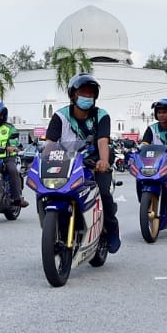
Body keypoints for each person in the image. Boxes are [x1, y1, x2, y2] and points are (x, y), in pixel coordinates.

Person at [44, 73, 120, 253]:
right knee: (48, 190)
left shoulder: (101, 115)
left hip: (94, 162)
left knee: (103, 192)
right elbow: (50, 144)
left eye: (90, 93)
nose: (87, 96)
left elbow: (103, 142)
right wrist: (43, 159)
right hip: (67, 163)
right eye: (83, 92)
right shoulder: (60, 116)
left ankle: (111, 228)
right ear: (73, 95)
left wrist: (103, 161)